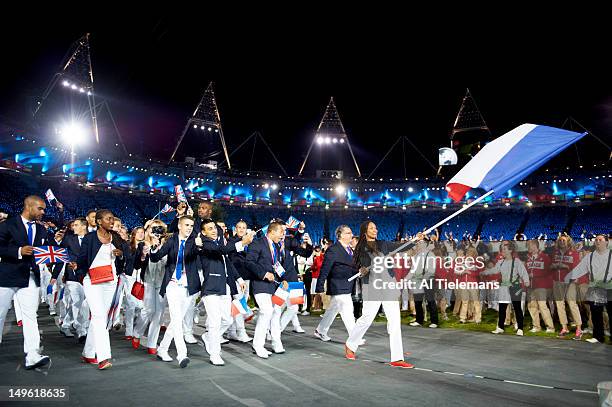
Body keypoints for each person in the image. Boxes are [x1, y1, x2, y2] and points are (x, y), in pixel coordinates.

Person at [344, 221, 414, 368]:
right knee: (366, 319)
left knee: (395, 321)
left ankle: (397, 358)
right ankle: (350, 344)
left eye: (376, 227)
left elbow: (401, 247)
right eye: (372, 228)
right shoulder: (360, 248)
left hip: (389, 285)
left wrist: (416, 240)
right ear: (365, 230)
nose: (375, 230)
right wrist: (362, 269)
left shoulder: (383, 244)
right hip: (372, 287)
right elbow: (356, 265)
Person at [0, 196, 53, 369]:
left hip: (30, 277)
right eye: (40, 208)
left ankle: (32, 355)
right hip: (7, 275)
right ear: (28, 206)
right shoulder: (8, 224)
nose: (43, 212)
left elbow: (49, 249)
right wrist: (18, 251)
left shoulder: (42, 230)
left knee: (31, 317)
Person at [77, 209, 129, 370]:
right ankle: (104, 357)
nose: (112, 221)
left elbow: (126, 258)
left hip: (110, 281)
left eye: (113, 219)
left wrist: (120, 255)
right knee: (99, 316)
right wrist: (81, 276)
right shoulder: (89, 238)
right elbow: (82, 260)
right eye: (108, 219)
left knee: (100, 318)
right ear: (99, 221)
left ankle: (88, 352)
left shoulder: (117, 238)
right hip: (92, 281)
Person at [148, 216, 200, 368]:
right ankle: (182, 354)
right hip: (172, 285)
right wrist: (155, 246)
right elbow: (156, 258)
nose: (189, 228)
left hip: (188, 287)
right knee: (177, 320)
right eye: (186, 225)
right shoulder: (171, 240)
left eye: (191, 225)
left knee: (177, 320)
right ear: (179, 225)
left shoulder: (194, 242)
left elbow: (196, 254)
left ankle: (163, 349)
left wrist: (200, 246)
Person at [198, 218, 246, 365]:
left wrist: (239, 279)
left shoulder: (218, 244)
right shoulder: (204, 244)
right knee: (214, 321)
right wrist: (242, 242)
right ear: (203, 232)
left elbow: (228, 264)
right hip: (211, 286)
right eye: (210, 228)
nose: (213, 230)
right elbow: (222, 250)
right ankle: (215, 353)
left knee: (227, 319)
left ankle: (208, 337)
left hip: (224, 287)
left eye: (214, 228)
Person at [314, 225, 358, 341]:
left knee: (333, 309)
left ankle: (320, 330)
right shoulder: (333, 249)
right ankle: (355, 337)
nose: (351, 235)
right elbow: (325, 269)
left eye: (351, 233)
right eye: (348, 233)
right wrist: (319, 287)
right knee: (348, 310)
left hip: (348, 285)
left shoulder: (350, 250)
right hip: (338, 285)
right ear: (341, 235)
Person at [566, 234, 612, 343]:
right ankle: (598, 337)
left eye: (600, 240)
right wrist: (568, 277)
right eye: (596, 240)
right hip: (594, 288)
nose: (597, 241)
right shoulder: (590, 256)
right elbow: (580, 268)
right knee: (596, 313)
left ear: (606, 242)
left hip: (609, 287)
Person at [133, 220, 169, 354]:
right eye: (153, 229)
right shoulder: (143, 245)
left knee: (159, 313)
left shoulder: (167, 245)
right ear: (148, 230)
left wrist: (159, 248)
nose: (156, 232)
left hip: (162, 280)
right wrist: (143, 255)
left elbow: (167, 262)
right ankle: (137, 332)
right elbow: (136, 265)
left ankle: (152, 343)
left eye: (159, 229)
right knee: (148, 310)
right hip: (148, 280)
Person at [484, 241, 530, 336]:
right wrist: (485, 272)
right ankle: (500, 327)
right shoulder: (500, 262)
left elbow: (523, 272)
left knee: (517, 308)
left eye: (504, 249)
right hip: (504, 287)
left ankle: (520, 328)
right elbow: (495, 270)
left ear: (510, 250)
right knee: (502, 308)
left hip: (514, 287)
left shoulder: (516, 261)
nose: (502, 251)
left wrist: (526, 280)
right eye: (502, 249)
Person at [525, 240, 555, 333]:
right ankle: (536, 326)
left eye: (529, 245)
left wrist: (535, 275)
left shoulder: (544, 257)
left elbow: (548, 271)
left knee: (542, 306)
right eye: (527, 246)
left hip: (541, 285)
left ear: (535, 246)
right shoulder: (528, 258)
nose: (528, 248)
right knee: (532, 306)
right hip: (531, 286)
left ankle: (550, 327)